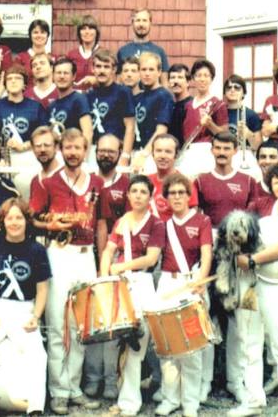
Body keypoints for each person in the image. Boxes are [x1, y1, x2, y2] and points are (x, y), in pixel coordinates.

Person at [30, 128, 104, 415]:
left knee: (80, 326)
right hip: (59, 253)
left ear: (86, 150)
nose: (72, 153)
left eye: (78, 148)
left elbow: (100, 224)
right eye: (68, 148)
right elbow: (33, 219)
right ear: (61, 149)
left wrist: (100, 267)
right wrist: (52, 226)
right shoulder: (47, 183)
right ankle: (58, 391)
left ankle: (74, 388)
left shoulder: (96, 182)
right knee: (58, 324)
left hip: (86, 257)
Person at [234, 161, 278, 417]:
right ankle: (253, 401)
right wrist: (239, 251)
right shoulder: (260, 206)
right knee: (249, 343)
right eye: (277, 181)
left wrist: (252, 260)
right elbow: (240, 230)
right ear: (270, 184)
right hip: (252, 283)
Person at [0, 198, 50, 417]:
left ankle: (35, 407)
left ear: (26, 221)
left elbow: (42, 289)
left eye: (19, 218)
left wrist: (36, 316)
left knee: (37, 354)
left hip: (24, 309)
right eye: (9, 218)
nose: (14, 223)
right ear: (3, 222)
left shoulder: (37, 250)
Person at [194, 132, 258, 404]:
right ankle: (204, 382)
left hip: (239, 259)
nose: (222, 152)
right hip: (211, 255)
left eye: (227, 148)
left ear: (235, 150)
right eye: (217, 147)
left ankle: (235, 381)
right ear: (211, 150)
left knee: (236, 321)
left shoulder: (248, 181)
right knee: (207, 317)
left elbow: (254, 222)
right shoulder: (200, 180)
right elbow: (197, 219)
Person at [101, 175, 165, 417]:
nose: (138, 195)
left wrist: (121, 266)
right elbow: (108, 250)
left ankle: (144, 397)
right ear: (127, 195)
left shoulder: (156, 224)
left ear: (150, 197)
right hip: (121, 284)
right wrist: (104, 276)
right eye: (134, 191)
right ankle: (127, 400)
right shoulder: (122, 222)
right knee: (126, 341)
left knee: (142, 340)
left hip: (143, 282)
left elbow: (151, 258)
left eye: (143, 192)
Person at [155, 173, 212, 417]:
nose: (176, 197)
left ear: (189, 196)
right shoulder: (161, 224)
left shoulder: (202, 221)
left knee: (192, 346)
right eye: (172, 193)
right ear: (166, 197)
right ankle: (170, 398)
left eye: (181, 192)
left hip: (192, 283)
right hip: (168, 283)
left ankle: (190, 402)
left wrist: (200, 282)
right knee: (167, 345)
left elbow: (206, 253)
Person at [83, 134, 130, 402]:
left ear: (120, 152)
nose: (106, 155)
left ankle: (112, 379)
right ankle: (92, 378)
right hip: (86, 254)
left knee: (112, 322)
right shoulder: (87, 180)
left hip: (116, 257)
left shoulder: (126, 183)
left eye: (112, 151)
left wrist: (109, 262)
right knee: (90, 321)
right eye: (101, 151)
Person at [0, 64, 47, 199]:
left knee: (26, 193)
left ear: (24, 84)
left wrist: (25, 146)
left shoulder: (35, 107)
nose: (13, 81)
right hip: (1, 158)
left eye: (18, 78)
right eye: (9, 79)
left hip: (28, 156)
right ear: (5, 84)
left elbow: (44, 134)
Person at [178, 59, 228, 178]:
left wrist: (210, 125)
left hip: (206, 151)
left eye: (206, 75)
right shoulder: (188, 105)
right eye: (198, 75)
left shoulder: (217, 103)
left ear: (211, 79)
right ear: (193, 79)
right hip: (188, 151)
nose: (202, 79)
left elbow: (225, 134)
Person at [87, 49, 135, 167]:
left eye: (106, 67)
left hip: (115, 150)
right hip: (94, 150)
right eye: (98, 66)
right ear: (93, 69)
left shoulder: (123, 92)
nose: (102, 71)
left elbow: (130, 127)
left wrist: (125, 156)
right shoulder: (89, 94)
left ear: (113, 70)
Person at [132, 52, 174, 173]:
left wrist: (144, 155)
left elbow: (161, 130)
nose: (147, 73)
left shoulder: (163, 95)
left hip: (151, 154)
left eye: (151, 69)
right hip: (137, 152)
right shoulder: (139, 97)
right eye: (144, 69)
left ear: (159, 72)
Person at [147, 134, 198, 222]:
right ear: (152, 154)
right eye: (159, 151)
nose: (162, 156)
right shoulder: (145, 181)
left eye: (168, 152)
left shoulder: (185, 184)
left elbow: (191, 219)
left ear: (176, 155)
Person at [47, 57, 93, 152]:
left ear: (73, 76)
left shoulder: (79, 99)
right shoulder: (51, 106)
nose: (62, 76)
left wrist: (83, 159)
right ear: (53, 76)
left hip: (75, 154)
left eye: (66, 73)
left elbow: (87, 132)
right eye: (58, 73)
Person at [117, 8, 169, 85]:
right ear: (132, 23)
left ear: (150, 23)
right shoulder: (123, 51)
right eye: (138, 20)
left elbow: (164, 83)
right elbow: (119, 82)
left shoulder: (159, 51)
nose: (141, 24)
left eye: (144, 20)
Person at [224, 74, 262, 150]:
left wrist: (248, 133)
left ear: (244, 93)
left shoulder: (251, 115)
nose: (232, 90)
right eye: (229, 87)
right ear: (224, 92)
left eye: (237, 88)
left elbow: (258, 146)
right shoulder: (220, 113)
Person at [15, 19, 54, 85]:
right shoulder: (20, 58)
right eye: (35, 32)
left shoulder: (54, 58)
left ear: (47, 36)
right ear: (30, 35)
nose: (39, 35)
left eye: (43, 32)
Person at [67, 14, 99, 91]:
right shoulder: (71, 55)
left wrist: (97, 80)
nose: (87, 32)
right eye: (83, 29)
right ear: (79, 32)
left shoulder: (103, 54)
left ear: (96, 32)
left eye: (91, 28)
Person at [29, 125, 63, 199]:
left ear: (56, 147)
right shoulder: (35, 182)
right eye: (38, 146)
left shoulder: (66, 176)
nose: (42, 149)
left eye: (47, 145)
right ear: (33, 149)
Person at [168, 63, 192, 146]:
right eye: (172, 78)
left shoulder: (191, 106)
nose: (176, 81)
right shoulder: (170, 106)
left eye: (180, 77)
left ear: (188, 82)